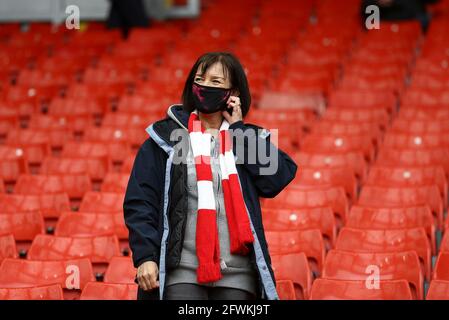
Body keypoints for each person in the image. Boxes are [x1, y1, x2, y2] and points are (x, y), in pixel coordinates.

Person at [123, 52, 298, 300]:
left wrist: (238, 130)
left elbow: (278, 178)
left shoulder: (248, 138)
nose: (205, 86)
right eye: (200, 79)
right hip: (181, 272)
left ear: (233, 93)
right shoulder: (166, 138)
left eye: (216, 82)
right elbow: (141, 201)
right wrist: (146, 257)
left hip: (238, 276)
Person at [361, 0, 439, 32]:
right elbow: (366, 13)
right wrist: (378, 2)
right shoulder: (371, 5)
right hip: (383, 29)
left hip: (412, 27)